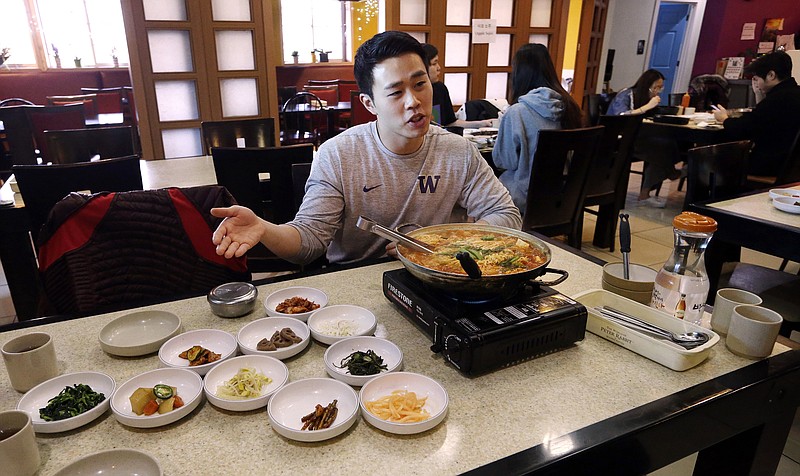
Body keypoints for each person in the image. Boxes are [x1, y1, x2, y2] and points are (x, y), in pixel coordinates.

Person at [211, 31, 521, 265]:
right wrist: (264, 228)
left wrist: (443, 243)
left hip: (437, 280)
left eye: (419, 84)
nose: (413, 101)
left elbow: (506, 215)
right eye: (395, 92)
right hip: (354, 284)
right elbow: (309, 241)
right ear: (369, 103)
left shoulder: (458, 152)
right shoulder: (339, 155)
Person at [490, 43, 584, 215]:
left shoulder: (517, 112)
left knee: (477, 197)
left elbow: (504, 162)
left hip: (524, 196)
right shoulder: (570, 106)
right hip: (566, 193)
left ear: (519, 75)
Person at [713, 50, 800, 176]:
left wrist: (724, 119)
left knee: (715, 160)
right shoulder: (792, 93)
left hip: (771, 166)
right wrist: (759, 95)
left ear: (771, 75)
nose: (757, 84)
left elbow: (745, 128)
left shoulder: (776, 100)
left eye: (757, 79)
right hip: (793, 167)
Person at [608, 69, 682, 207]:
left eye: (660, 87)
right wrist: (647, 106)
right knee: (660, 147)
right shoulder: (627, 94)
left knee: (666, 143)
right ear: (646, 85)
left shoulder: (649, 97)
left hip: (638, 135)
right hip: (619, 137)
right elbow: (621, 116)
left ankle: (649, 190)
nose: (658, 91)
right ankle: (670, 173)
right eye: (655, 87)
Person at [421, 43, 494, 129]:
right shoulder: (414, 93)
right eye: (434, 64)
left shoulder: (440, 89)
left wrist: (481, 124)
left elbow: (450, 123)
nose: (439, 68)